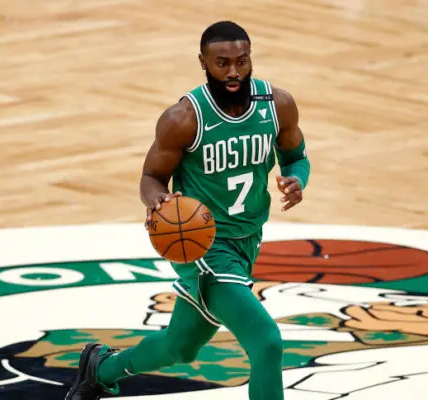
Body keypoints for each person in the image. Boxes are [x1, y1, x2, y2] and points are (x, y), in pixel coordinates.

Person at [64, 20, 310, 400]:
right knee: (266, 343)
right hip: (202, 245)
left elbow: (296, 157)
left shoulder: (277, 104)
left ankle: (101, 368)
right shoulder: (184, 118)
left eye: (241, 62)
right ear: (203, 62)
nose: (233, 72)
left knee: (180, 347)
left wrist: (296, 180)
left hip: (248, 241)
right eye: (222, 63)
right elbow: (152, 176)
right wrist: (158, 201)